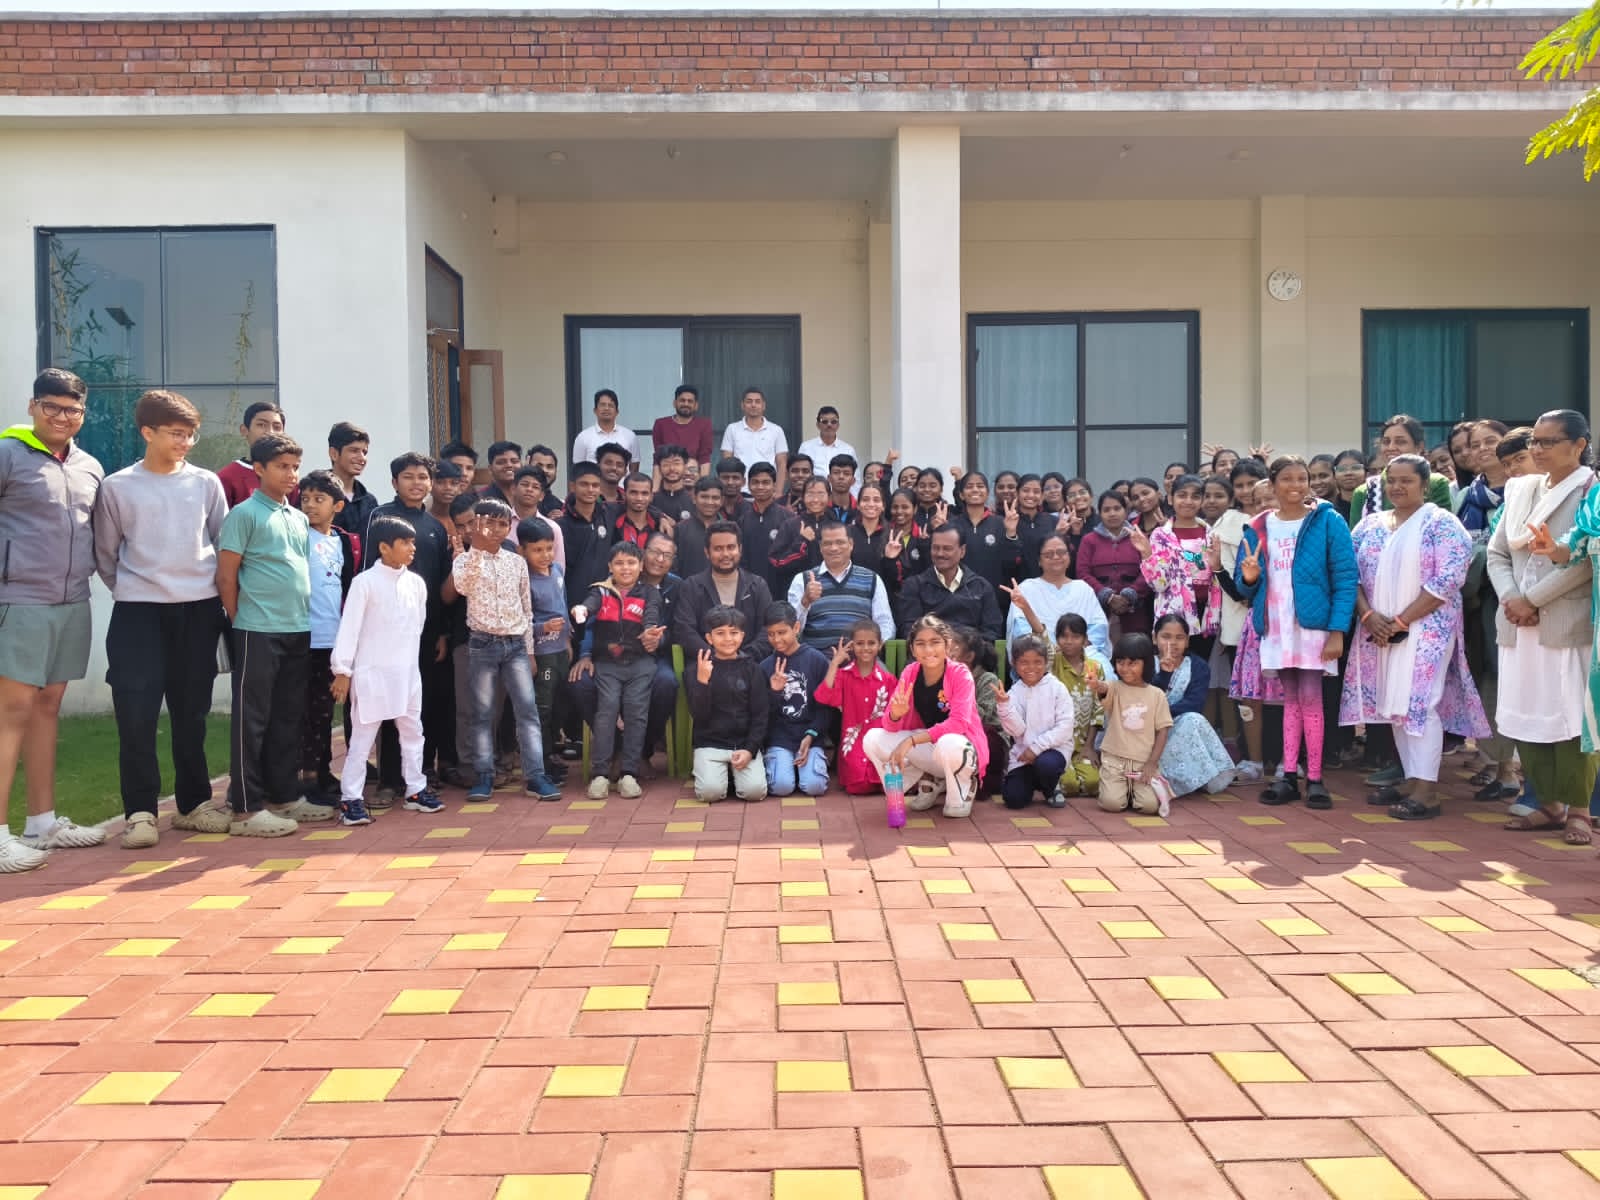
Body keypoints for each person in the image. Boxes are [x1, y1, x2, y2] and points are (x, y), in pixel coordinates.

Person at [93, 389, 228, 850]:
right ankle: (140, 813)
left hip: (198, 610)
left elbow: (219, 540)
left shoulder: (206, 483)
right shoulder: (117, 487)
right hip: (137, 614)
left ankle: (193, 805)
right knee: (136, 714)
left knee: (192, 712)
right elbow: (106, 554)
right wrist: (136, 589)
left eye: (190, 434)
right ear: (146, 432)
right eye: (176, 433)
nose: (185, 442)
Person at [1342, 455, 1488, 821]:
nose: (1397, 487)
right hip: (1377, 630)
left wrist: (1403, 620)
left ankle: (1428, 790)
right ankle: (1412, 777)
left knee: (1420, 703)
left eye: (1407, 481)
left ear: (1425, 485)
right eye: (1392, 480)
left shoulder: (1442, 523)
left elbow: (1448, 579)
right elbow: (1351, 575)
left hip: (1427, 629)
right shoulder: (1369, 525)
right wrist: (1369, 615)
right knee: (1394, 707)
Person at [1491, 409, 1597, 842]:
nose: (1536, 449)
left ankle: (1580, 811)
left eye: (1548, 442)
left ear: (1579, 446)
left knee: (1571, 717)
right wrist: (1513, 599)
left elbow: (1586, 561)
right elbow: (1498, 553)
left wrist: (1532, 600)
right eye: (1534, 440)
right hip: (1518, 622)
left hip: (1564, 621)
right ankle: (1548, 804)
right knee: (1525, 713)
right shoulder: (1520, 490)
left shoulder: (1591, 491)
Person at [1235, 455, 1357, 811]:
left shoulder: (1328, 520)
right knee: (1290, 700)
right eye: (1286, 479)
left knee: (1311, 697)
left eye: (1301, 478)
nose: (1296, 486)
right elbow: (1246, 587)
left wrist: (1337, 630)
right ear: (1272, 485)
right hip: (1277, 626)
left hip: (1313, 626)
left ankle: (1315, 778)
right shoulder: (1258, 526)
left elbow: (1346, 577)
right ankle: (1289, 774)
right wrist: (1251, 577)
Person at [217, 433, 319, 837]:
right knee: (251, 720)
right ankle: (244, 807)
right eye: (281, 466)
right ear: (258, 469)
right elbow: (227, 575)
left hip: (297, 628)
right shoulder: (244, 514)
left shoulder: (297, 516)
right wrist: (239, 618)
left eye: (295, 466)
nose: (291, 474)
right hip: (256, 630)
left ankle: (283, 796)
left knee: (287, 717)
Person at [331, 515, 442, 825]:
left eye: (413, 543)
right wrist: (343, 670)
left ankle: (415, 789)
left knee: (412, 732)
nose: (411, 548)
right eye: (404, 543)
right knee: (363, 738)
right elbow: (350, 629)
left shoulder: (416, 584)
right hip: (372, 673)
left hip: (406, 673)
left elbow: (416, 627)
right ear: (383, 547)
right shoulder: (364, 583)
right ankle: (350, 798)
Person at [451, 498, 563, 802]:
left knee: (527, 712)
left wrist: (528, 651)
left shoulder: (515, 562)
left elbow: (527, 609)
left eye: (503, 523)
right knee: (483, 713)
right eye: (489, 522)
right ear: (476, 524)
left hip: (514, 645)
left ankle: (536, 777)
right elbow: (462, 587)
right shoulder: (464, 559)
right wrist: (475, 547)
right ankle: (484, 775)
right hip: (482, 644)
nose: (496, 529)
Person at [363, 451, 452, 805]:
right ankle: (388, 779)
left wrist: (443, 632)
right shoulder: (380, 519)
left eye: (422, 477)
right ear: (394, 482)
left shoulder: (434, 527)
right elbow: (368, 574)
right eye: (409, 477)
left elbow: (442, 583)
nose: (417, 483)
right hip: (387, 631)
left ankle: (420, 773)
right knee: (388, 705)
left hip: (426, 630)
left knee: (421, 703)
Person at [864, 613, 987, 818]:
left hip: (959, 748)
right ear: (912, 649)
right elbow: (889, 725)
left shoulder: (960, 673)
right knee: (873, 739)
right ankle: (924, 779)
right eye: (921, 644)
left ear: (948, 645)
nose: (928, 650)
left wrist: (911, 741)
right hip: (930, 747)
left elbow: (958, 724)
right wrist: (895, 714)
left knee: (949, 744)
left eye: (935, 642)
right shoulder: (910, 672)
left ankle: (965, 784)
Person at [570, 541, 665, 799]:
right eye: (619, 563)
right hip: (607, 665)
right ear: (610, 566)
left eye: (632, 562)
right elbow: (588, 605)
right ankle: (600, 774)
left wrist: (651, 632)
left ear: (641, 566)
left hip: (641, 664)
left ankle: (629, 774)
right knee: (607, 711)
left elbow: (652, 616)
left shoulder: (650, 593)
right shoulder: (600, 592)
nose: (626, 568)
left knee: (636, 713)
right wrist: (582, 609)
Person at [296, 470, 357, 807]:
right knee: (306, 712)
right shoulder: (298, 536)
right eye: (305, 499)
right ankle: (307, 778)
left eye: (318, 500)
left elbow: (346, 588)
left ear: (337, 505)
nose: (310, 506)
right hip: (305, 638)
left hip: (332, 638)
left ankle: (322, 772)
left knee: (323, 713)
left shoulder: (342, 541)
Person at [1132, 474, 1221, 660]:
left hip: (1206, 613)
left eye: (1195, 496)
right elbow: (1159, 585)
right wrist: (1147, 555)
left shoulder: (1212, 534)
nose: (1188, 501)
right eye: (1182, 495)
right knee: (1172, 666)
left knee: (1199, 667)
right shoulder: (1161, 535)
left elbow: (1217, 575)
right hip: (1174, 613)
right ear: (1171, 499)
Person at [687, 606, 770, 802]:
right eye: (720, 633)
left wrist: (750, 749)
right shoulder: (697, 669)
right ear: (709, 638)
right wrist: (702, 682)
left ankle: (733, 776)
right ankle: (721, 775)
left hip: (743, 745)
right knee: (710, 793)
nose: (727, 639)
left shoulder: (752, 669)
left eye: (734, 633)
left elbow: (761, 714)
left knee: (754, 792)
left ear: (742, 636)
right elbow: (699, 715)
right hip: (710, 744)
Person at [1151, 615, 1236, 797]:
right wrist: (1164, 676)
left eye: (1179, 638)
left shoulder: (1198, 666)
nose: (1172, 643)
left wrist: (1164, 716)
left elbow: (1194, 703)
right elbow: (1145, 699)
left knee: (1193, 719)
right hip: (1148, 728)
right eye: (1166, 637)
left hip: (1177, 725)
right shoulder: (1146, 663)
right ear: (1154, 638)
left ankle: (1199, 778)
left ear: (1187, 641)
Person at [1091, 632, 1173, 816]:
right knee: (1111, 804)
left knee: (1149, 807)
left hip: (1143, 764)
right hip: (1114, 760)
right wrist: (1096, 684)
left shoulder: (1156, 695)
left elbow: (1163, 731)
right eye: (1120, 662)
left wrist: (1152, 763)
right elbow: (1103, 689)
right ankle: (1121, 791)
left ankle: (1134, 792)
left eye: (1132, 663)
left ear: (1146, 663)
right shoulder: (1115, 687)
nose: (1125, 668)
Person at [674, 521, 775, 662]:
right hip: (706, 666)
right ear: (707, 552)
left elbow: (768, 628)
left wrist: (742, 658)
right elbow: (684, 631)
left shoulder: (757, 585)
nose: (725, 554)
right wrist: (716, 657)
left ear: (740, 549)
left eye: (731, 547)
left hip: (751, 665)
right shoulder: (691, 586)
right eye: (718, 549)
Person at [995, 634, 1077, 809]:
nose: (1031, 667)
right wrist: (1004, 706)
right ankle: (1032, 781)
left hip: (1053, 751)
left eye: (1037, 662)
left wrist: (1036, 749)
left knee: (1046, 765)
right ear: (1014, 663)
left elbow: (1065, 727)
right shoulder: (1015, 692)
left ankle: (1050, 787)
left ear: (1046, 662)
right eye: (1024, 662)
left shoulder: (1057, 688)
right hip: (1023, 756)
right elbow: (1016, 730)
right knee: (1013, 799)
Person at [815, 619, 896, 795]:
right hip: (853, 741)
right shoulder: (844, 675)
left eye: (871, 643)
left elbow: (896, 716)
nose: (865, 648)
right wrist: (835, 664)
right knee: (857, 786)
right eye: (860, 643)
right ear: (852, 646)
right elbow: (824, 696)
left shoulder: (888, 680)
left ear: (880, 645)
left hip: (879, 741)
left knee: (884, 782)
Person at [759, 602, 832, 797]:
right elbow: (761, 712)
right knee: (782, 787)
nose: (776, 639)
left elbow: (825, 707)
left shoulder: (816, 660)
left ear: (796, 628)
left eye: (782, 632)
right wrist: (774, 692)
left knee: (815, 787)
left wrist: (811, 736)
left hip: (810, 734)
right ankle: (785, 768)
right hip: (780, 738)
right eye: (771, 634)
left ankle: (807, 768)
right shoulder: (765, 666)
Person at [1001, 533, 1111, 660]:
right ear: (1039, 561)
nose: (1056, 557)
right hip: (1042, 656)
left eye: (1061, 552)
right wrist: (1050, 650)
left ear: (1069, 557)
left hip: (1084, 656)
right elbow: (1021, 629)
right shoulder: (1027, 588)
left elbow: (1098, 626)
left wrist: (1076, 650)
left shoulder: (1083, 588)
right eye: (1048, 554)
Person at [519, 516, 571, 787]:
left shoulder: (558, 572)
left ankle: (554, 754)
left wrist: (568, 639)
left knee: (560, 704)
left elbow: (564, 603)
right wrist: (543, 628)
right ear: (523, 551)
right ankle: (543, 760)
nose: (545, 555)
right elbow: (524, 619)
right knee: (543, 707)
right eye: (537, 550)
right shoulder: (524, 580)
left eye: (549, 548)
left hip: (561, 649)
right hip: (541, 652)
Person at [789, 519, 895, 648]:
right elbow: (791, 631)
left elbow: (885, 622)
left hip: (860, 660)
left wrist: (874, 648)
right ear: (821, 547)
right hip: (817, 662)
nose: (834, 548)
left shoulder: (872, 579)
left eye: (840, 542)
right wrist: (805, 602)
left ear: (851, 544)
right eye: (828, 543)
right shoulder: (802, 580)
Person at [895, 526, 1004, 640]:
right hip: (929, 653)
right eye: (935, 548)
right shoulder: (914, 586)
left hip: (971, 653)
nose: (940, 554)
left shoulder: (981, 587)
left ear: (962, 551)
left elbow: (992, 632)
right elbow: (909, 630)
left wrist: (963, 646)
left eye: (947, 549)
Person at [1349, 413, 1454, 529]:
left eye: (1400, 442)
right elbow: (1356, 542)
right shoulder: (1364, 492)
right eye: (1386, 442)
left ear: (1419, 446)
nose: (1391, 447)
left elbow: (1442, 530)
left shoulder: (1435, 483)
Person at [1075, 491, 1152, 640]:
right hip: (1098, 610)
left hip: (1135, 611)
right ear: (1100, 513)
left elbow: (1149, 569)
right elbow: (1082, 573)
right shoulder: (1089, 540)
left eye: (1117, 508)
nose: (1112, 513)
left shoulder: (1140, 537)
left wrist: (1130, 594)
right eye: (1106, 510)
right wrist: (1106, 595)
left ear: (1126, 511)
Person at [1047, 612, 1106, 799]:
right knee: (1070, 785)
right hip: (1056, 744)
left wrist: (1089, 746)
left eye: (1075, 636)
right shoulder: (1052, 664)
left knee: (1093, 784)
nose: (1069, 641)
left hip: (1082, 745)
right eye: (1063, 636)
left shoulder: (1095, 668)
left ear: (1085, 639)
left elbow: (1098, 710)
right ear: (1056, 639)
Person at [951, 625, 1008, 796]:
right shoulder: (946, 676)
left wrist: (962, 691)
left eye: (953, 649)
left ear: (969, 656)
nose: (948, 653)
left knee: (985, 735)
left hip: (988, 737)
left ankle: (985, 780)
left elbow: (982, 716)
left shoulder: (987, 679)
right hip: (957, 732)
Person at [950, 471, 1023, 593]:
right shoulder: (953, 525)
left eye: (980, 486)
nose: (975, 490)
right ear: (961, 495)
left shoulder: (1001, 523)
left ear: (987, 493)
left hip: (995, 596)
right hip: (960, 595)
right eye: (969, 486)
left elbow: (1011, 563)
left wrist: (1011, 533)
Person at [741, 461, 806, 594]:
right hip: (749, 591)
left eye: (766, 482)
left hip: (781, 588)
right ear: (748, 485)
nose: (760, 487)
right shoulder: (742, 520)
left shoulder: (788, 518)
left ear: (774, 485)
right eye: (755, 482)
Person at [217, 401, 289, 507]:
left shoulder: (289, 476)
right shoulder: (227, 478)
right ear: (244, 430)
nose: (270, 432)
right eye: (261, 425)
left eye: (277, 427)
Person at [720, 387, 788, 491]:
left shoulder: (776, 430)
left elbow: (782, 464)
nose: (753, 405)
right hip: (739, 491)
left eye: (757, 402)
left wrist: (778, 492)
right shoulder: (732, 429)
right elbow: (727, 462)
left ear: (763, 405)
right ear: (742, 405)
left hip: (767, 490)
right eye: (749, 401)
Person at [327, 422, 377, 553]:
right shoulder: (316, 493)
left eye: (364, 452)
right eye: (354, 450)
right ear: (334, 453)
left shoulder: (369, 501)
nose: (362, 458)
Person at [650, 385, 714, 481]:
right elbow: (659, 458)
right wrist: (655, 489)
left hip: (692, 478)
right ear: (675, 403)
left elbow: (704, 458)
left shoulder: (704, 425)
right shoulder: (661, 424)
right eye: (682, 400)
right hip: (668, 478)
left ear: (696, 405)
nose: (686, 404)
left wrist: (702, 486)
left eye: (690, 401)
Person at [674, 476, 726, 580]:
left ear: (722, 500)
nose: (709, 502)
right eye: (704, 497)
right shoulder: (680, 529)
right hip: (687, 591)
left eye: (715, 498)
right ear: (694, 498)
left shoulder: (729, 530)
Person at [572, 388, 639, 466]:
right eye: (602, 405)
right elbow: (578, 467)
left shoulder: (630, 436)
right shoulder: (583, 437)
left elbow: (634, 466)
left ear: (617, 412)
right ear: (595, 410)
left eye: (610, 405)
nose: (606, 408)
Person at [796, 405, 858, 476]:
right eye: (825, 421)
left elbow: (856, 478)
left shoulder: (848, 450)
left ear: (838, 425)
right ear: (818, 425)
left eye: (833, 421)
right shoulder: (806, 447)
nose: (829, 425)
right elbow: (801, 474)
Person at [652, 444, 697, 524]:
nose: (672, 468)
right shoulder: (651, 500)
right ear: (659, 468)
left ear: (685, 467)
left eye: (677, 463)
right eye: (666, 464)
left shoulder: (694, 501)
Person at [481, 440, 523, 508]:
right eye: (501, 462)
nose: (509, 465)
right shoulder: (480, 498)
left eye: (514, 461)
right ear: (490, 469)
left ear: (521, 465)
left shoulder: (529, 495)